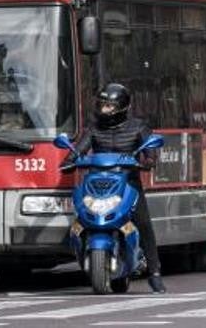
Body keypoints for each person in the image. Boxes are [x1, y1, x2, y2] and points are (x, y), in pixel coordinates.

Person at [69, 82, 166, 294]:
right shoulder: (94, 128)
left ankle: (154, 273)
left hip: (127, 183)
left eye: (109, 106)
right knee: (79, 218)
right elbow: (79, 149)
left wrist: (148, 161)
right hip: (97, 184)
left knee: (143, 224)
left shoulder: (138, 127)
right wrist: (70, 159)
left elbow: (150, 153)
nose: (104, 110)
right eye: (102, 105)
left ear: (121, 107)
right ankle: (84, 251)